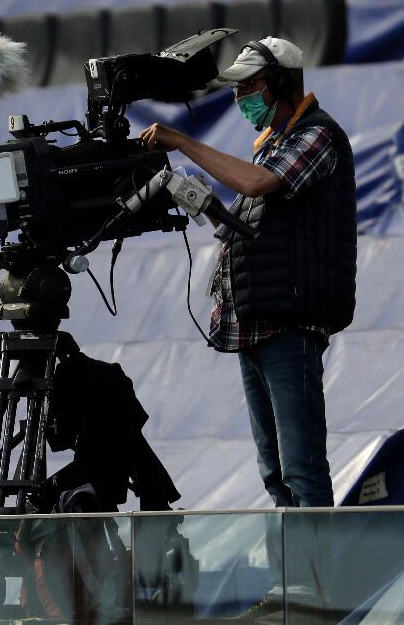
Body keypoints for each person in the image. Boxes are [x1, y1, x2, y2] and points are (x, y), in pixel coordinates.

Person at [139, 36, 357, 509]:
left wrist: (180, 141)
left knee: (302, 469)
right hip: (255, 324)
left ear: (280, 83)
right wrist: (201, 200)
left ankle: (313, 584)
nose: (241, 98)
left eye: (249, 86)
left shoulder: (317, 136)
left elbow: (259, 184)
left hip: (289, 324)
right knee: (275, 472)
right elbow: (248, 223)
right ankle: (295, 575)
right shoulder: (271, 147)